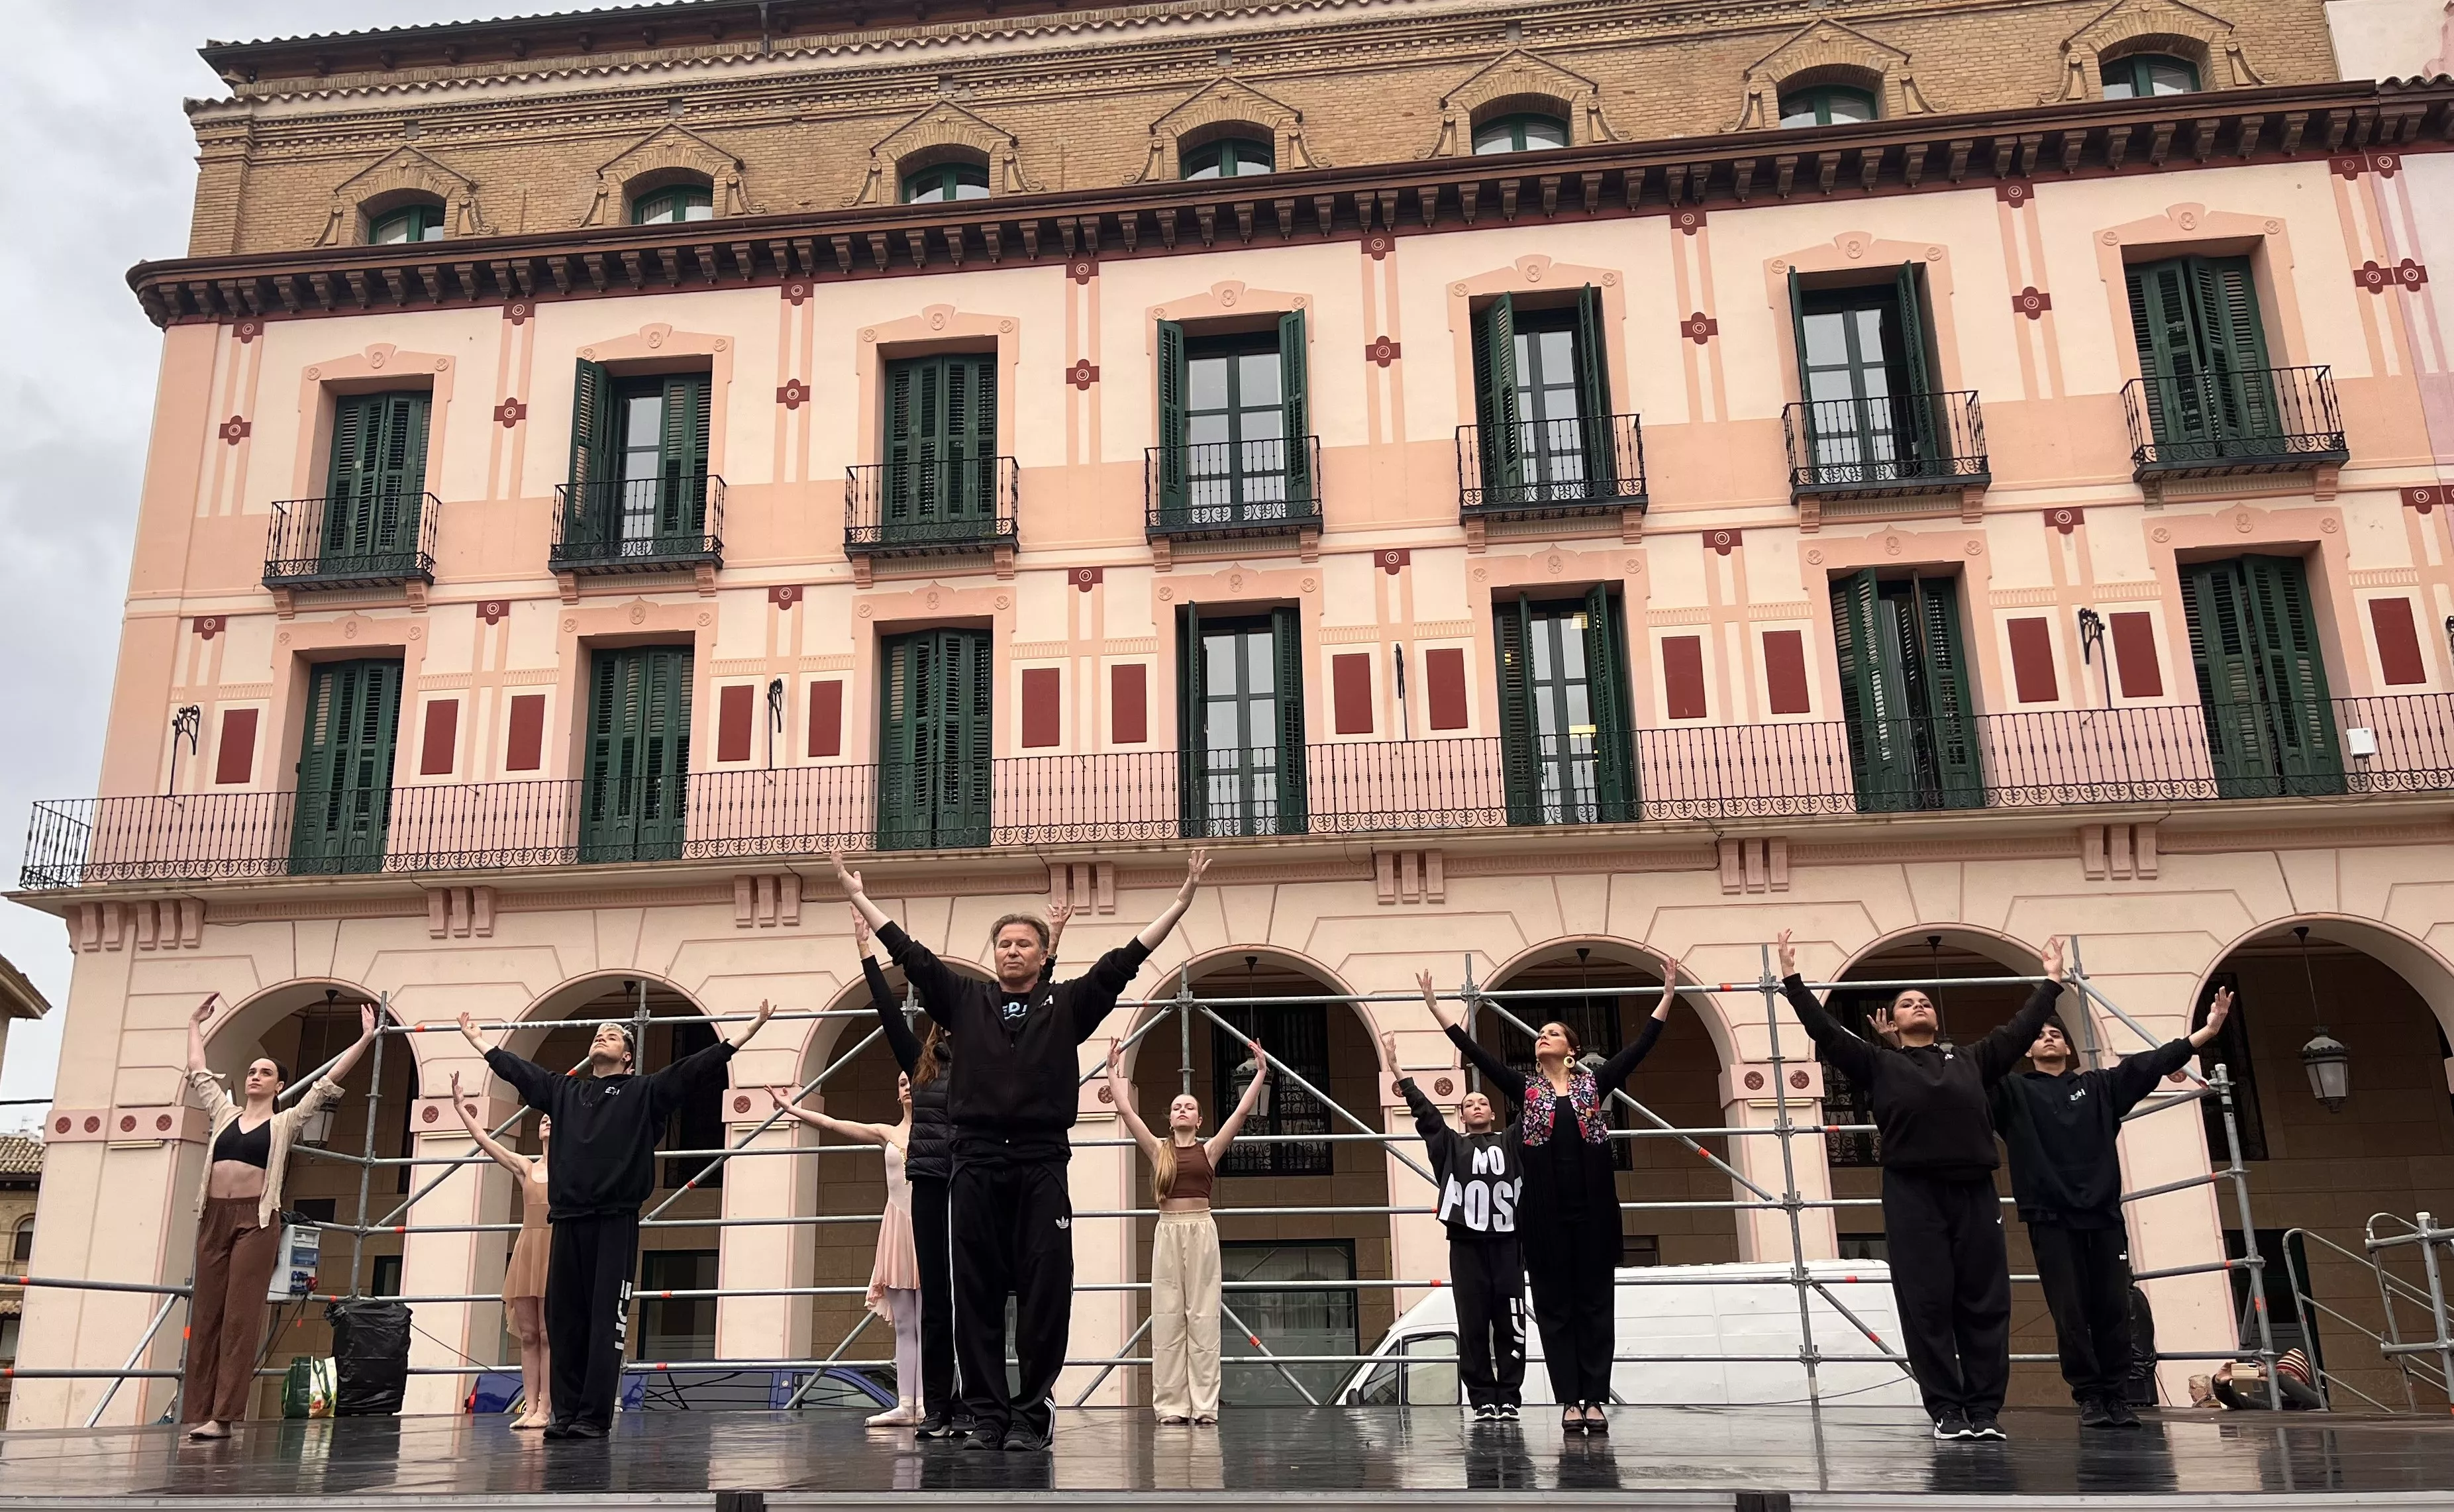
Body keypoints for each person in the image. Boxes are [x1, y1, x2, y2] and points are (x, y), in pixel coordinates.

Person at [829, 848, 1209, 1453]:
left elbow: (1126, 960)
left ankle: (1031, 1413)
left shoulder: (1068, 1006)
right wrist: (859, 898)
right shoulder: (964, 1000)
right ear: (994, 952)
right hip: (975, 1161)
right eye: (1004, 942)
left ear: (1041, 954)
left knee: (1044, 1288)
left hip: (1040, 1162)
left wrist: (1182, 902)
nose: (1012, 950)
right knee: (974, 1290)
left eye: (1024, 943)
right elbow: (911, 955)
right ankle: (986, 1414)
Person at [1776, 928, 2068, 1444]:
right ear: (1893, 1020)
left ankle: (1983, 1409)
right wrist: (1793, 981)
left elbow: (2019, 1028)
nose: (1918, 1005)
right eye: (1907, 1002)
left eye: (1925, 1001)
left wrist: (2050, 982)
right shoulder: (1879, 1063)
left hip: (1973, 1190)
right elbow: (1826, 1031)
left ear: (1935, 1018)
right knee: (1926, 1303)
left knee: (1984, 1302)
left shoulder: (1973, 1059)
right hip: (1912, 1192)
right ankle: (1946, 1409)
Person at [457, 999, 776, 1441]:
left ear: (628, 1056)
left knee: (605, 1321)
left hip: (614, 1220)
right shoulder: (566, 1092)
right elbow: (522, 1073)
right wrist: (481, 1043)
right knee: (564, 1321)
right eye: (597, 1034)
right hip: (567, 1218)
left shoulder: (643, 1092)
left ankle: (592, 1416)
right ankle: (564, 1414)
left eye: (611, 1035)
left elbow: (692, 1070)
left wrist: (744, 1034)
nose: (600, 1037)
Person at [1423, 954, 1681, 1434]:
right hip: (1543, 1218)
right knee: (1554, 1309)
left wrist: (1666, 995)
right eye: (1539, 1033)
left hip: (1593, 1213)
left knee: (1595, 1307)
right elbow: (1477, 1054)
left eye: (1552, 1032)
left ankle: (1594, 1398)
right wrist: (1438, 1010)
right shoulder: (1526, 1090)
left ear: (1570, 1049)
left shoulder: (1594, 1084)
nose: (1542, 1036)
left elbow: (1641, 1046)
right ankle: (1570, 1401)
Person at [862, 899, 1069, 1438]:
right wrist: (866, 955)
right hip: (933, 1182)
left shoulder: (994, 1060)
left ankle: (999, 1406)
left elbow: (1040, 1012)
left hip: (977, 1173)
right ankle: (940, 1407)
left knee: (998, 1288)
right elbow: (890, 1013)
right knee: (941, 1297)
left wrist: (1053, 948)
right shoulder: (921, 1064)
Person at [1992, 986, 2232, 1429]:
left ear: (2067, 1047)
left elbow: (2150, 1063)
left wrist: (2207, 1031)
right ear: (2026, 1049)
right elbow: (1965, 1076)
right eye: (2039, 1035)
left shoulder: (2098, 1086)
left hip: (2102, 1215)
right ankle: (2089, 1397)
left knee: (2113, 1309)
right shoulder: (2011, 1091)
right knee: (2070, 1313)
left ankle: (2116, 1396)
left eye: (2055, 1033)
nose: (2048, 1037)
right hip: (2050, 1218)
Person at [179, 991, 382, 1440]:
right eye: (252, 1071)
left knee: (239, 1317)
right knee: (207, 1313)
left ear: (278, 1085)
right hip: (214, 1217)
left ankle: (223, 1416)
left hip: (255, 1221)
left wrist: (365, 1039)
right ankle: (198, 1410)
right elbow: (197, 1069)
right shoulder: (224, 1113)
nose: (255, 1076)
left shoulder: (284, 1122)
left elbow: (327, 1082)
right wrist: (194, 1023)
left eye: (265, 1072)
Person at [1103, 1034, 1270, 1425]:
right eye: (1177, 1106)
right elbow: (1126, 1112)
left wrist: (1261, 1072)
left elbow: (1241, 1114)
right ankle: (1172, 1406)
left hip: (1201, 1231)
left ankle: (1205, 1406)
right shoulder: (1158, 1150)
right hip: (1168, 1231)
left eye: (1189, 1107)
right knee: (1167, 1317)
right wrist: (1112, 1071)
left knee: (1203, 1317)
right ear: (1170, 1118)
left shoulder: (1209, 1150)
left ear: (1199, 1120)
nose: (1182, 1110)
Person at [1382, 1022, 1527, 1422]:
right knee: (1472, 1321)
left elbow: (1533, 1107)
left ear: (1493, 1113)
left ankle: (1509, 1396)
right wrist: (1397, 1069)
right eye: (1469, 1104)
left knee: (1511, 1321)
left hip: (1508, 1243)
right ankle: (1482, 1398)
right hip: (1466, 1244)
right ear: (1461, 1116)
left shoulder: (1512, 1142)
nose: (1476, 1106)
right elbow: (1426, 1115)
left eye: (1483, 1102)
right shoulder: (1450, 1146)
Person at [766, 1075, 925, 1429]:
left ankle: (928, 1403)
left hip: (928, 1228)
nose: (907, 1087)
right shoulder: (886, 1133)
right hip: (898, 1229)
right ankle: (906, 1404)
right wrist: (792, 1109)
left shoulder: (940, 1132)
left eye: (913, 1081)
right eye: (901, 1083)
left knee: (929, 1323)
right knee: (905, 1324)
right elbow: (834, 1124)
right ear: (897, 1093)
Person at [446, 1071, 554, 1429]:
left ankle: (546, 1408)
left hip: (555, 1248)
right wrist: (461, 1108)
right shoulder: (526, 1166)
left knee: (549, 1333)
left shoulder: (572, 1168)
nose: (546, 1121)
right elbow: (485, 1141)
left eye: (553, 1117)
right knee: (529, 1334)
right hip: (528, 1249)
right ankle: (530, 1406)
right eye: (543, 1118)